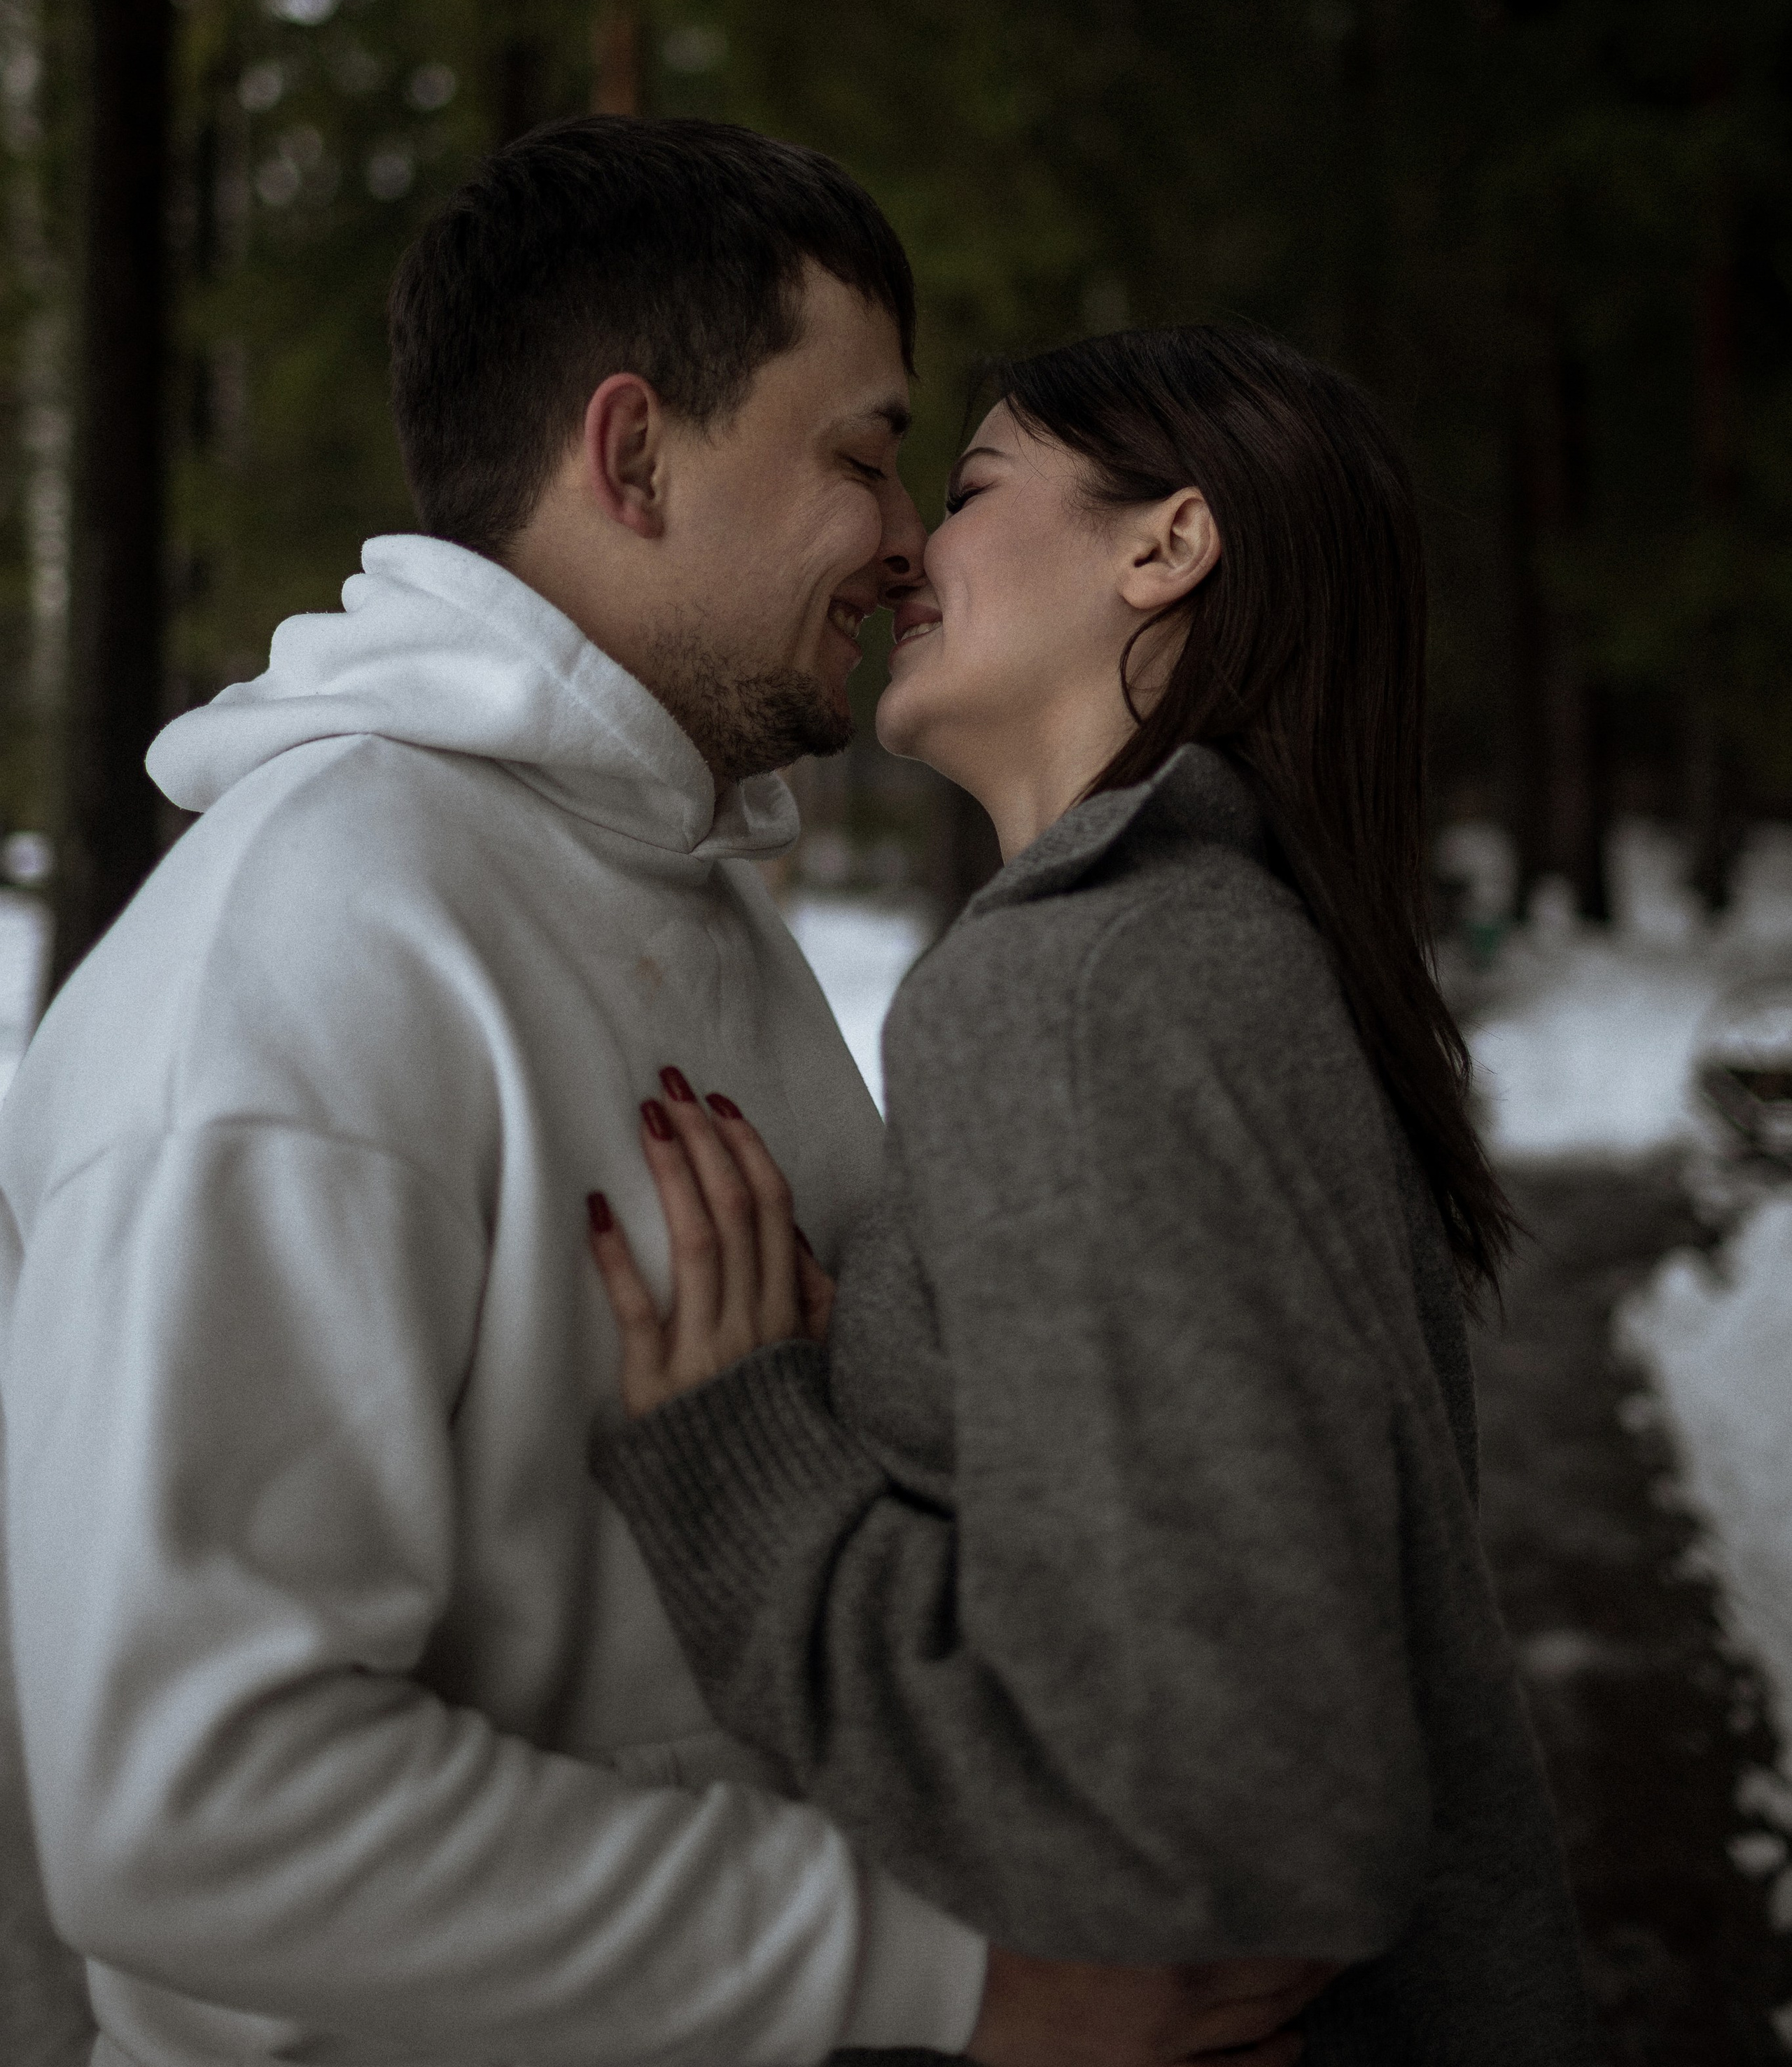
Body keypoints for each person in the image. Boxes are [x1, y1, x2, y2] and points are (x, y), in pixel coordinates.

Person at [0, 120, 1315, 2067]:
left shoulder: (685, 893)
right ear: (631, 456)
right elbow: (198, 1803)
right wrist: (949, 1976)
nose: (903, 538)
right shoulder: (294, 965)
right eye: (862, 455)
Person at [586, 326, 1597, 2066]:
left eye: (971, 489)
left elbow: (1228, 1809)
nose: (906, 545)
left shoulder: (1082, 988)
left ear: (1164, 545)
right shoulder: (1232, 949)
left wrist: (751, 1477)